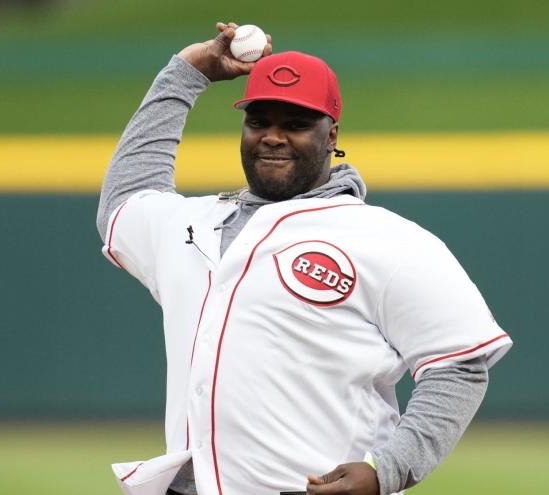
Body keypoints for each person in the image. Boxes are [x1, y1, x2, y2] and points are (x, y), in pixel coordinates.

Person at [97, 22, 512, 495]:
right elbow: (127, 198)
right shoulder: (193, 225)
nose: (273, 137)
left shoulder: (389, 240)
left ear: (331, 133)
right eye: (260, 122)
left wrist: (389, 468)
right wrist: (185, 74)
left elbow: (458, 364)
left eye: (295, 124)